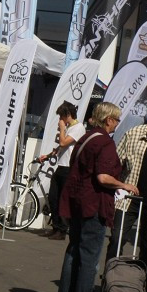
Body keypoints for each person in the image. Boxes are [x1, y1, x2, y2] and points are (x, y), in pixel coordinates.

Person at [56, 102, 138, 292]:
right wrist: (124, 185)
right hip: (93, 204)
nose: (118, 123)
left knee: (74, 251)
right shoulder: (104, 142)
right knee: (89, 257)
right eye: (117, 119)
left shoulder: (86, 137)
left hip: (76, 202)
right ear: (109, 120)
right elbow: (103, 177)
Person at [104, 98, 147, 292]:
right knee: (116, 241)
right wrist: (119, 187)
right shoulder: (134, 134)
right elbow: (115, 163)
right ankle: (108, 287)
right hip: (130, 201)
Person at [38, 101, 85, 240]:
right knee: (53, 197)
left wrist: (62, 128)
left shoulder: (78, 127)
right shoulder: (70, 127)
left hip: (69, 168)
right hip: (61, 166)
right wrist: (47, 155)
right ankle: (56, 226)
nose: (60, 120)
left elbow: (64, 142)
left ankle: (63, 229)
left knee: (63, 199)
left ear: (68, 115)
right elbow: (61, 148)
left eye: (61, 117)